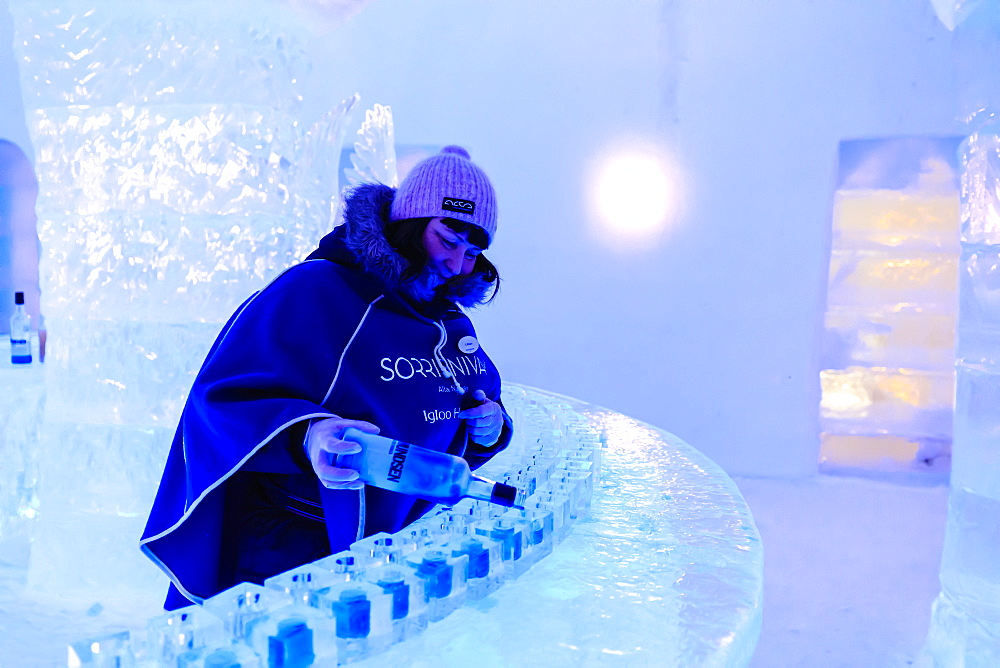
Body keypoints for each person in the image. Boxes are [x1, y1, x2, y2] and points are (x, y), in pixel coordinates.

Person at [141, 146, 512, 610]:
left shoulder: (445, 319)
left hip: (386, 559)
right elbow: (220, 400)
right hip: (291, 548)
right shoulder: (314, 290)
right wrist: (308, 436)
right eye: (449, 239)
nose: (458, 265)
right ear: (411, 224)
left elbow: (467, 398)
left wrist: (489, 427)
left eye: (473, 252)